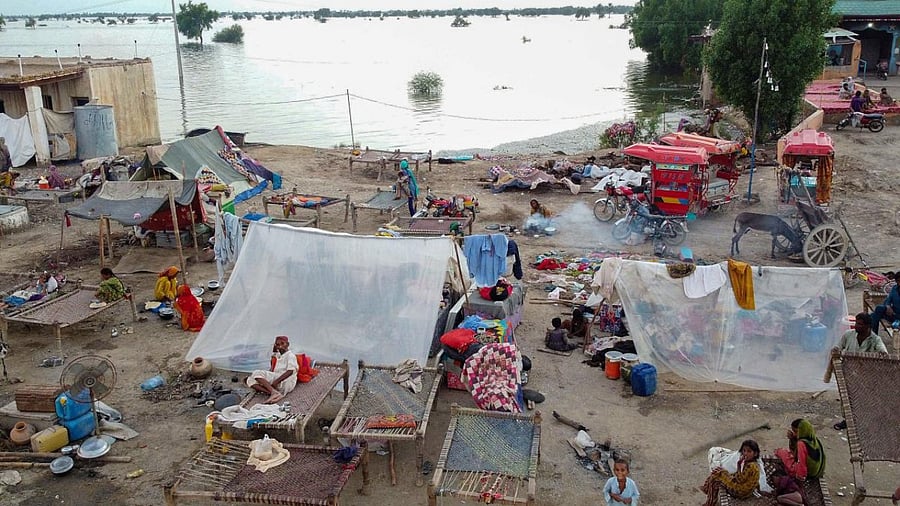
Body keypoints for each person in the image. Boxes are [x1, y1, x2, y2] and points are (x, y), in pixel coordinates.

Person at [700, 439, 761, 506]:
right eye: (744, 450)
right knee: (718, 472)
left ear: (755, 453)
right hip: (744, 489)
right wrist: (725, 473)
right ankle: (708, 490)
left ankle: (709, 502)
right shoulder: (752, 463)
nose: (745, 453)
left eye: (749, 451)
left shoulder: (751, 466)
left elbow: (739, 479)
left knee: (715, 479)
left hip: (741, 491)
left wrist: (738, 466)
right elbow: (741, 477)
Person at [246, 335, 297, 404]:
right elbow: (273, 352)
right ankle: (272, 392)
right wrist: (275, 346)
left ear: (288, 344)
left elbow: (290, 371)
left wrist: (276, 382)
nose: (280, 346)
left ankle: (273, 392)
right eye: (278, 345)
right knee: (250, 380)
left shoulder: (290, 355)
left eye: (282, 343)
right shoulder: (279, 355)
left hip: (286, 381)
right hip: (277, 378)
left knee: (256, 373)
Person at [774, 419, 826, 485]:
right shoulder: (813, 438)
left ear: (802, 431)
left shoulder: (801, 444)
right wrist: (792, 438)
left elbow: (801, 463)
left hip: (808, 473)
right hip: (817, 471)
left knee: (780, 452)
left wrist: (800, 479)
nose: (795, 434)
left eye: (796, 432)